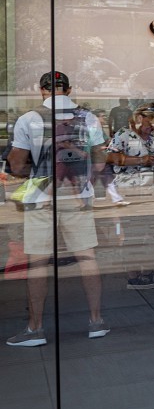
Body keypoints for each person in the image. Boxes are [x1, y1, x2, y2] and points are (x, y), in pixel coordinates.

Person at [6, 71, 108, 346]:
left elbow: (16, 166)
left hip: (41, 196)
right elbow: (100, 161)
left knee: (38, 262)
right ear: (69, 89)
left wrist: (37, 174)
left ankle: (35, 329)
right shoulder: (89, 118)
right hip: (78, 197)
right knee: (87, 258)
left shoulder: (28, 119)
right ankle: (96, 322)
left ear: (41, 90)